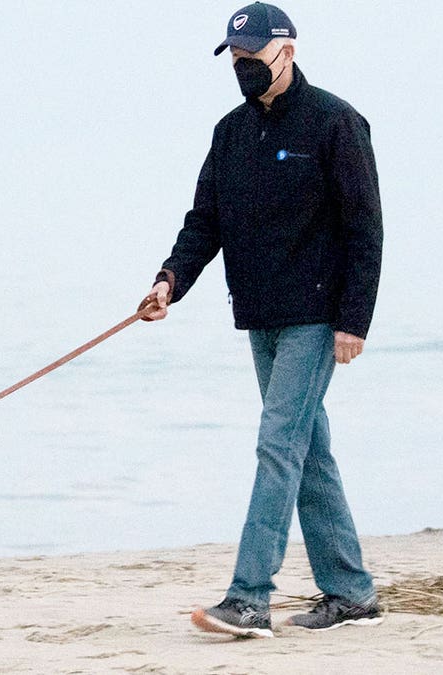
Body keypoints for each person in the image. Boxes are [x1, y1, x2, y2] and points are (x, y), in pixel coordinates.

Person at [140, 2, 384, 637]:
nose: (245, 70)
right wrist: (170, 282)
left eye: (254, 58)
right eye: (237, 61)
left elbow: (366, 228)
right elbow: (205, 223)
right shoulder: (230, 133)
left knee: (278, 445)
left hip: (316, 314)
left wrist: (354, 319)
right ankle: (351, 591)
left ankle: (250, 597)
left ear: (289, 52)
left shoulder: (336, 122)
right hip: (260, 317)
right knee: (309, 450)